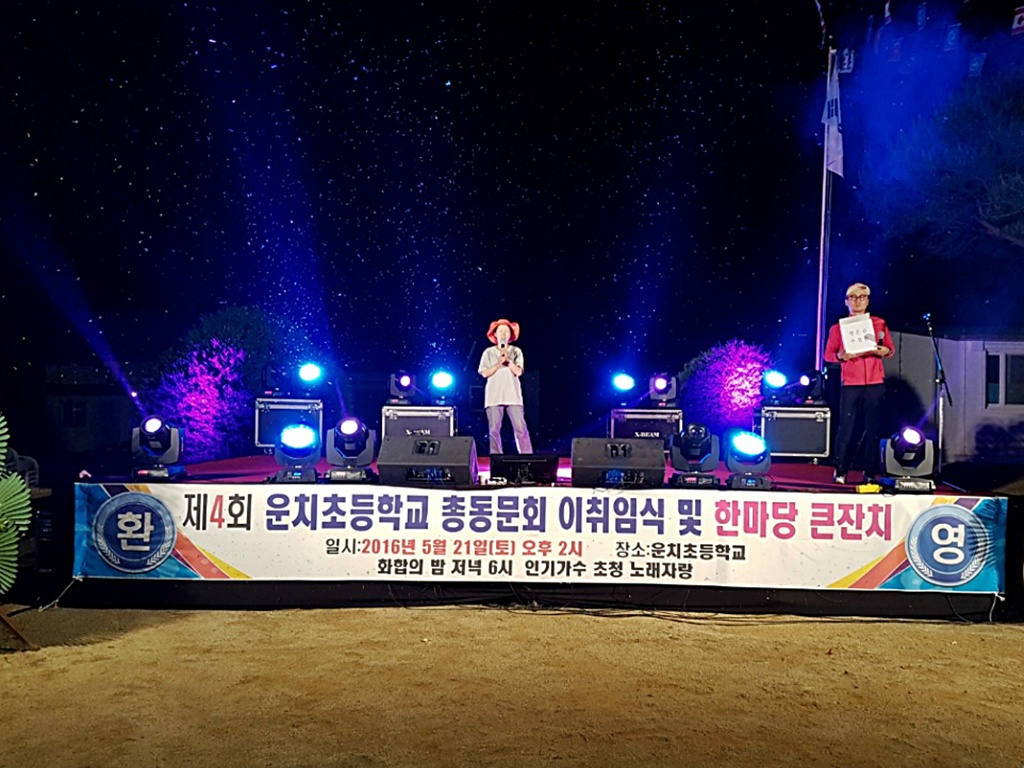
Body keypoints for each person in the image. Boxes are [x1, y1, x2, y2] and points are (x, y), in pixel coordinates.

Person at [823, 282, 895, 484]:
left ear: (868, 301)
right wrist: (841, 356)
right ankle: (840, 469)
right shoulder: (838, 328)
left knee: (873, 428)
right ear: (846, 301)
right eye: (853, 297)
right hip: (850, 383)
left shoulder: (879, 323)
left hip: (875, 381)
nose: (857, 301)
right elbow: (828, 355)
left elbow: (890, 349)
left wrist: (883, 350)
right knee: (847, 426)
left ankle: (869, 471)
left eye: (862, 297)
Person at [478, 318, 533, 455]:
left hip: (513, 395)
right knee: (494, 430)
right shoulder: (488, 352)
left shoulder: (516, 351)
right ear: (495, 334)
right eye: (500, 331)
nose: (503, 334)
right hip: (494, 396)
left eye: (506, 331)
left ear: (510, 335)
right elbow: (484, 373)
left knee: (520, 428)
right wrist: (498, 364)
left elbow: (518, 372)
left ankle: (526, 456)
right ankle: (496, 457)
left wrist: (508, 362)